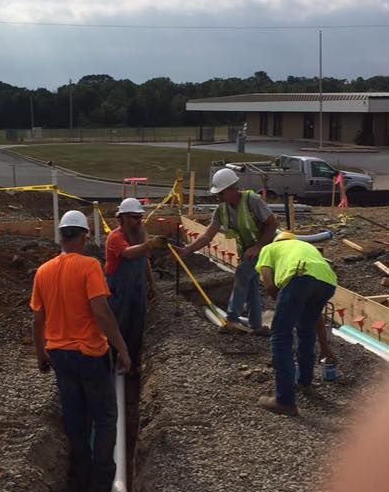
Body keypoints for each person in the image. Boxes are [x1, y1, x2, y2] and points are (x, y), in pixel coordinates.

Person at [30, 209, 130, 492]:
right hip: (89, 355)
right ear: (85, 236)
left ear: (61, 236)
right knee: (105, 419)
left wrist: (40, 352)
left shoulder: (43, 270)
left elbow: (37, 319)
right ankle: (100, 490)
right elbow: (101, 311)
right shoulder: (89, 266)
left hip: (59, 355)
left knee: (75, 420)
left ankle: (83, 480)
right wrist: (122, 349)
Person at [176, 167, 277, 334]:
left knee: (242, 273)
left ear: (233, 188)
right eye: (218, 194)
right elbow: (207, 236)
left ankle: (232, 319)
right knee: (250, 285)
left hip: (266, 248)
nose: (219, 197)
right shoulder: (221, 210)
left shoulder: (252, 201)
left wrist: (258, 246)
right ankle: (256, 325)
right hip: (247, 251)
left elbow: (272, 224)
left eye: (221, 193)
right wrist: (187, 250)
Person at [256, 232, 337, 416]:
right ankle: (304, 382)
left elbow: (268, 284)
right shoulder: (306, 248)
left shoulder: (269, 249)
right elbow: (316, 317)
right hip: (328, 281)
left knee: (280, 336)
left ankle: (284, 401)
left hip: (299, 276)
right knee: (306, 329)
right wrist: (325, 347)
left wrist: (284, 306)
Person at [105, 197, 158, 375]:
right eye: (135, 217)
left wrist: (151, 284)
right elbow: (127, 254)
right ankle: (112, 364)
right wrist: (149, 244)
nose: (138, 221)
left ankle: (133, 365)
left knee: (136, 326)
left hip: (137, 289)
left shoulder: (139, 237)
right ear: (124, 218)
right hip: (119, 291)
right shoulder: (115, 237)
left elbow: (144, 261)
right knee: (118, 325)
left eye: (140, 217)